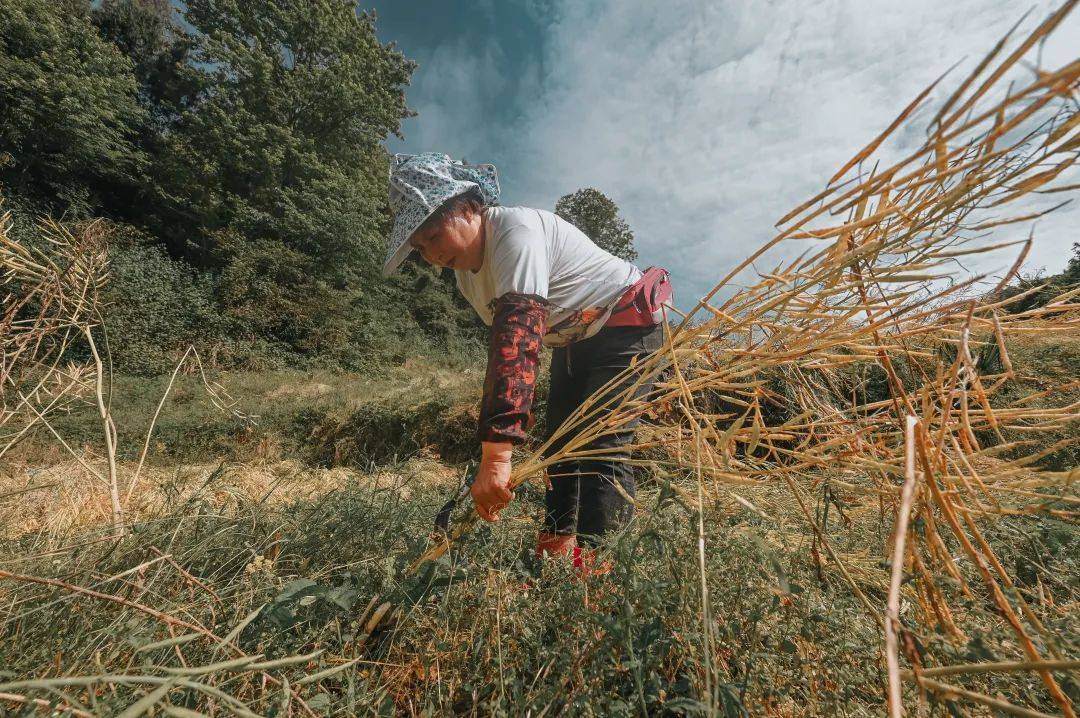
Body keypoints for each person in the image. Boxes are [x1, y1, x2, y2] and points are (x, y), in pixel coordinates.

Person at [384, 153, 672, 566]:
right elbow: (504, 355)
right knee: (559, 447)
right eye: (420, 247)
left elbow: (517, 342)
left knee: (599, 446)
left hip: (627, 323)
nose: (430, 253)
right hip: (574, 342)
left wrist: (497, 457)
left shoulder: (514, 233)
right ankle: (555, 556)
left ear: (467, 207)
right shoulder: (467, 275)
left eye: (433, 235)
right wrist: (496, 445)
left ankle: (602, 575)